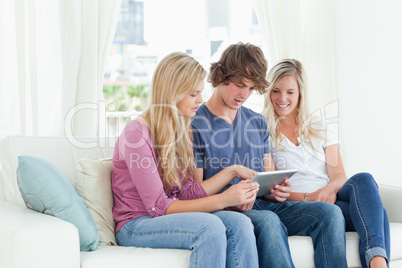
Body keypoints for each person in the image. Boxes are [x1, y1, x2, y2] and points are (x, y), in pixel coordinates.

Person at [192, 42, 348, 267]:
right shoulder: (196, 124)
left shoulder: (257, 122)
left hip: (264, 205)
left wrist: (278, 191)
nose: (244, 94)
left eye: (251, 88)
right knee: (268, 221)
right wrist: (229, 199)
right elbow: (195, 193)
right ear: (219, 75)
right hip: (225, 209)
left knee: (330, 213)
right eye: (239, 85)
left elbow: (269, 178)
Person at [112, 51, 261, 268]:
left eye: (200, 92)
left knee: (240, 223)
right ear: (173, 93)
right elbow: (158, 207)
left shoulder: (181, 130)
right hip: (135, 224)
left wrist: (233, 171)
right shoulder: (137, 133)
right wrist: (224, 200)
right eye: (193, 94)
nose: (200, 100)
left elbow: (185, 194)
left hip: (162, 217)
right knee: (209, 227)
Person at [262, 58, 390, 268]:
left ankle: (377, 263)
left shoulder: (319, 126)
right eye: (276, 90)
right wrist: (309, 197)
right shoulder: (263, 130)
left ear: (300, 93)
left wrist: (328, 190)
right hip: (297, 206)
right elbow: (271, 190)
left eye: (290, 92)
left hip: (330, 197)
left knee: (365, 180)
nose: (282, 98)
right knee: (379, 216)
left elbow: (339, 175)